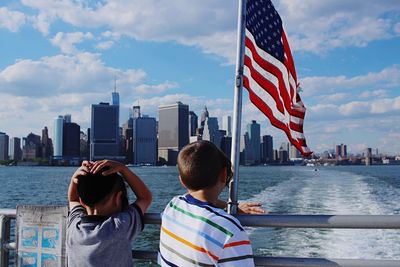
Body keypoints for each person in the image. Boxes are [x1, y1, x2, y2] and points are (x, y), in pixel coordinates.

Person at [158, 140, 264, 266]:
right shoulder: (229, 230)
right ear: (224, 175)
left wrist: (228, 206)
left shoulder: (173, 205)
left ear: (182, 181)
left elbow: (198, 200)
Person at [66, 159, 152, 267]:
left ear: (82, 201)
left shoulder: (74, 227)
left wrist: (76, 178)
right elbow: (145, 198)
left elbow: (73, 199)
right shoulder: (119, 226)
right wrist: (123, 168)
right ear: (118, 198)